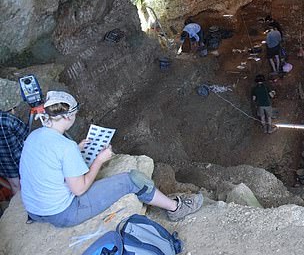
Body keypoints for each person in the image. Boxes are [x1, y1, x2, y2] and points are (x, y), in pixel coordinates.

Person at [19, 91, 203, 228]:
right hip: (62, 213)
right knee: (132, 180)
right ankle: (175, 208)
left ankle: (171, 205)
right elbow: (79, 189)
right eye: (74, 115)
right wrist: (100, 160)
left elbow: (48, 160)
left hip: (34, 211)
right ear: (67, 116)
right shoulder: (66, 147)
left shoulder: (34, 136)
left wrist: (77, 149)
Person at [0, 99, 28, 195]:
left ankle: (19, 203)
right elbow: (25, 133)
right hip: (19, 156)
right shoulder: (7, 119)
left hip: (4, 162)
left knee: (15, 186)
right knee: (30, 179)